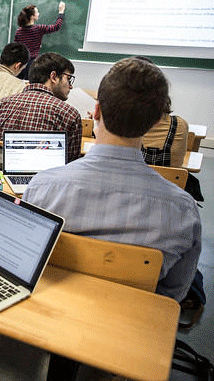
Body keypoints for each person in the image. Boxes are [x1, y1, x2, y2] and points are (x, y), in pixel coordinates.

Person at [23, 57, 201, 302]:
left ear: (96, 111)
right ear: (156, 121)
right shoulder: (183, 211)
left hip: (53, 313)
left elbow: (27, 262)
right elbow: (172, 297)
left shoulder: (41, 187)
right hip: (132, 324)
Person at [0, 52, 82, 161]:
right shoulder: (69, 114)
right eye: (68, 79)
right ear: (54, 77)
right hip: (44, 177)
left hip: (0, 177)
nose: (71, 86)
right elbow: (70, 166)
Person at [14, 2, 66, 80]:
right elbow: (56, 27)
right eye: (37, 12)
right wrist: (61, 12)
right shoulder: (38, 29)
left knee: (18, 85)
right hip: (32, 63)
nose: (38, 14)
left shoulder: (19, 31)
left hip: (20, 63)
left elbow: (15, 48)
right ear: (32, 16)